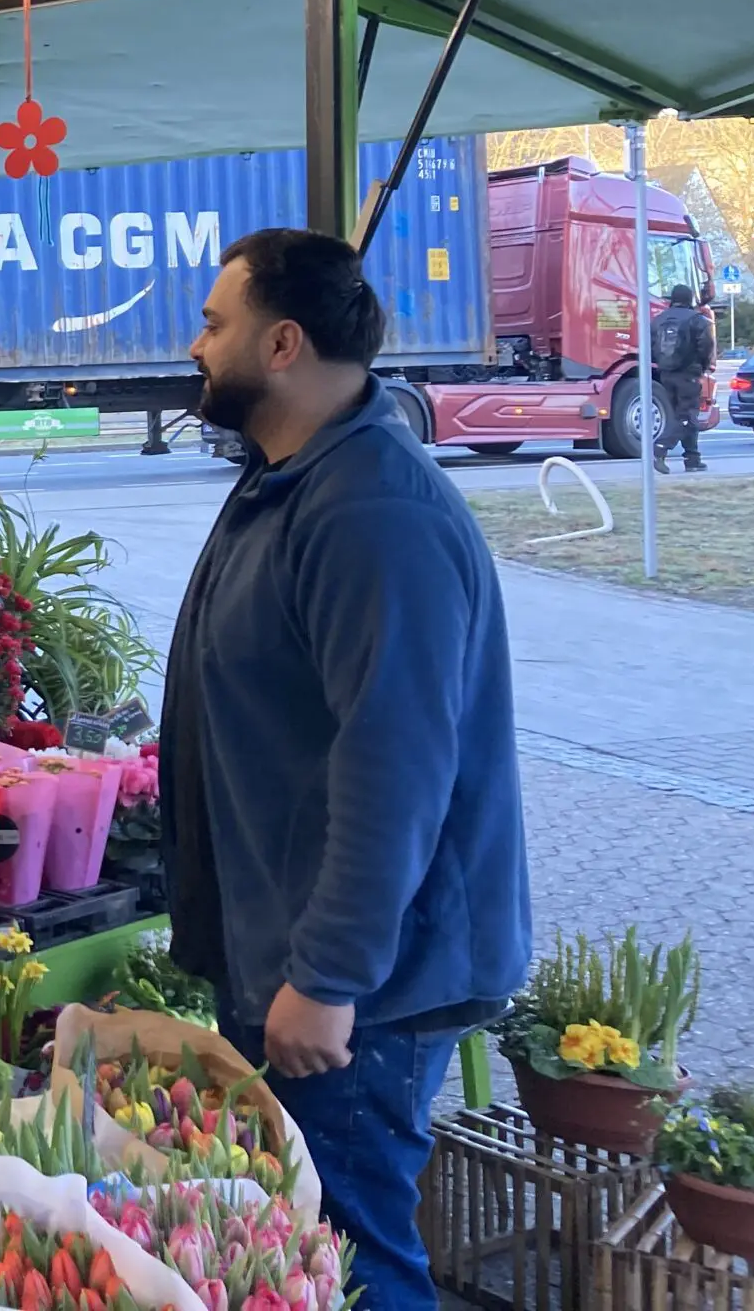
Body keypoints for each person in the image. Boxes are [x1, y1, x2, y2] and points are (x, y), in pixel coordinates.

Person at [161, 228, 530, 1311]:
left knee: (354, 1256)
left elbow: (397, 764)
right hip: (303, 954)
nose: (196, 343)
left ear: (280, 343)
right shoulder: (291, 476)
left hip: (365, 988)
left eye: (214, 323)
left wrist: (327, 978)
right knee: (302, 1247)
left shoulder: (371, 510)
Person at [650, 281, 714, 474]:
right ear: (689, 299)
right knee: (687, 417)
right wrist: (702, 367)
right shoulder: (698, 320)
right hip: (688, 374)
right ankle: (661, 448)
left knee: (680, 415)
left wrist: (661, 364)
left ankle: (692, 459)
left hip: (666, 374)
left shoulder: (658, 320)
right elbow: (706, 346)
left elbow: (650, 346)